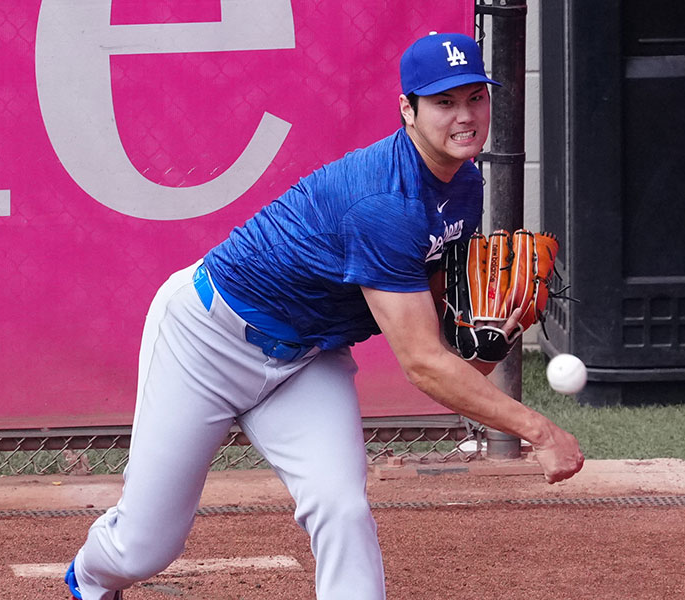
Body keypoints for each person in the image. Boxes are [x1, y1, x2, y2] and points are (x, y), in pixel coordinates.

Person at [64, 32, 584, 600]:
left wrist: (482, 347)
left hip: (308, 357)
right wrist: (539, 430)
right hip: (207, 338)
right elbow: (424, 366)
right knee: (145, 545)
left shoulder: (464, 183)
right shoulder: (383, 204)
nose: (464, 116)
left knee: (343, 508)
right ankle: (89, 578)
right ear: (407, 110)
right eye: (443, 102)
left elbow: (442, 344)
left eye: (475, 98)